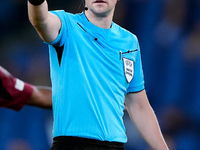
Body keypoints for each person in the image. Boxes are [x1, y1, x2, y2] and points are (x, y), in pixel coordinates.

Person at [27, 0, 169, 149]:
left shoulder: (129, 42)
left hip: (115, 146)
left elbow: (138, 105)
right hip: (71, 145)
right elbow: (40, 20)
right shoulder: (66, 25)